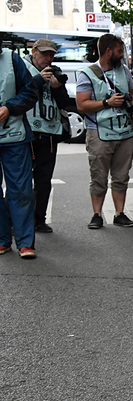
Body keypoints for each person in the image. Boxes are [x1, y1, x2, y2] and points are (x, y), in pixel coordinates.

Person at [76, 33, 133, 230]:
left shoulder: (124, 71)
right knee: (99, 175)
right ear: (108, 51)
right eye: (119, 51)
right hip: (100, 132)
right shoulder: (87, 74)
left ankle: (119, 213)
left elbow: (132, 92)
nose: (122, 55)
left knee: (122, 175)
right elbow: (81, 104)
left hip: (125, 132)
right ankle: (97, 214)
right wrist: (107, 103)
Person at [0, 44, 44, 258]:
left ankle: (25, 243)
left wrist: (9, 107)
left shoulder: (11, 59)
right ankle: (2, 240)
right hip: (12, 135)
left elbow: (30, 92)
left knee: (21, 190)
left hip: (14, 136)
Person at [24, 38, 70, 234]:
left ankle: (39, 219)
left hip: (49, 132)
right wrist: (38, 80)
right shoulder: (23, 68)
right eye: (44, 54)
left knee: (44, 180)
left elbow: (64, 103)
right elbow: (18, 93)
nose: (48, 58)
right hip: (27, 131)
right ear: (34, 52)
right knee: (22, 180)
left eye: (51, 55)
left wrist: (57, 87)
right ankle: (15, 220)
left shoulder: (54, 72)